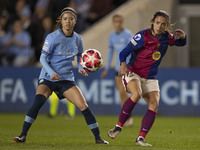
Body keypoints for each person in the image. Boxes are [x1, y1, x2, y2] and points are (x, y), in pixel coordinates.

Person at [13, 7, 108, 144]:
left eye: (71, 19)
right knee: (38, 102)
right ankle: (22, 135)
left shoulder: (78, 38)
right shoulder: (52, 37)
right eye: (65, 19)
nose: (68, 21)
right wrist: (52, 73)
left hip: (66, 79)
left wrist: (81, 67)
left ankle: (98, 138)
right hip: (48, 77)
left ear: (75, 21)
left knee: (83, 105)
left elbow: (80, 55)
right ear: (61, 21)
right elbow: (42, 59)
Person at [107, 10, 186, 146]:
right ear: (152, 22)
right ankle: (118, 127)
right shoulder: (142, 36)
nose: (159, 26)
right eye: (157, 23)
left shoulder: (167, 37)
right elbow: (124, 52)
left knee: (154, 104)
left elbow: (180, 43)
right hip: (133, 72)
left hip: (150, 76)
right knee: (136, 94)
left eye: (163, 24)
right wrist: (123, 65)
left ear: (166, 26)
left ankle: (140, 139)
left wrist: (184, 37)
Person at [101, 14, 133, 126]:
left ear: (122, 22)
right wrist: (106, 68)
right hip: (117, 68)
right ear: (113, 23)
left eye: (120, 21)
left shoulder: (128, 35)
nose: (118, 24)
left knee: (124, 91)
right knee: (121, 92)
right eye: (116, 22)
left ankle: (127, 115)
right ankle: (127, 116)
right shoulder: (112, 37)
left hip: (128, 67)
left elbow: (134, 50)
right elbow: (110, 53)